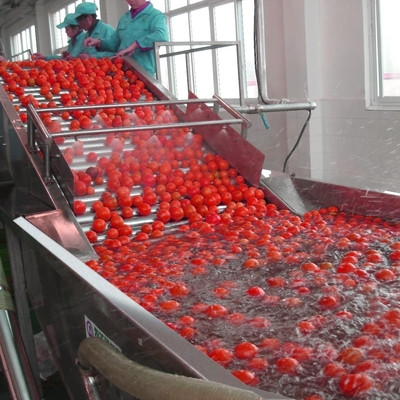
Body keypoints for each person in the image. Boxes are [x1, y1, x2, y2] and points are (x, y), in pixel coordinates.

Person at [84, 0, 169, 75]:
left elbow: (162, 35)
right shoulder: (124, 18)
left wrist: (135, 45)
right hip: (121, 72)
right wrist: (99, 43)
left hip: (143, 73)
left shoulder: (155, 16)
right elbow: (114, 43)